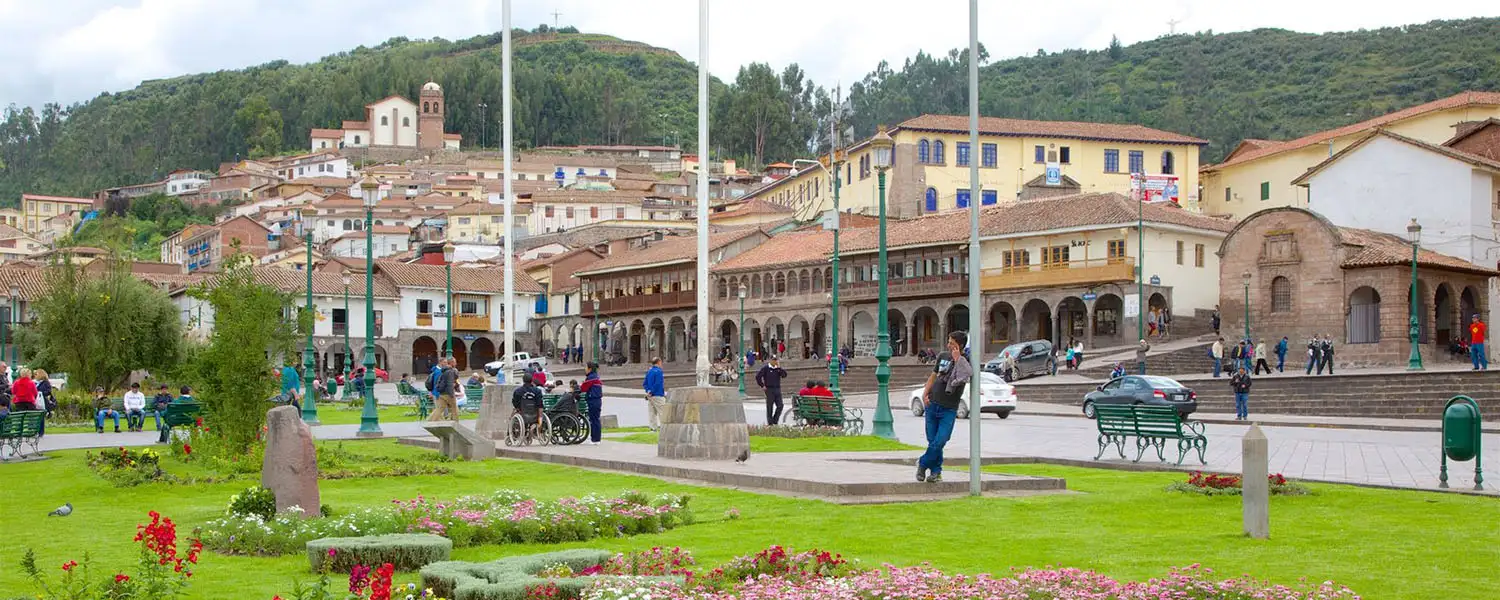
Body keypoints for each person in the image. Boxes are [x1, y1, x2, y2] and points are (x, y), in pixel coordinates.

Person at [918, 331, 971, 484]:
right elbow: (933, 376)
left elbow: (966, 375)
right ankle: (936, 472)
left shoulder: (966, 361)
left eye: (952, 343)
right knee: (932, 441)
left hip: (949, 408)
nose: (949, 345)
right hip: (932, 404)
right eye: (948, 342)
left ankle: (922, 464)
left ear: (959, 345)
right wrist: (925, 392)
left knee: (940, 440)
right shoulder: (942, 356)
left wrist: (958, 359)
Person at [511, 372, 546, 438]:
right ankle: (538, 428)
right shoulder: (537, 391)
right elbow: (540, 404)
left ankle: (511, 434)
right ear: (532, 380)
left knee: (512, 415)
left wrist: (517, 408)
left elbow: (515, 402)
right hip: (536, 414)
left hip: (523, 413)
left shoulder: (518, 391)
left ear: (523, 380)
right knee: (540, 408)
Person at [755, 356, 788, 426]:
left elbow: (784, 375)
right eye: (773, 360)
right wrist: (762, 385)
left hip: (777, 389)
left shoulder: (777, 369)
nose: (775, 361)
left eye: (776, 360)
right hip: (769, 389)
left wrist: (779, 367)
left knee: (780, 405)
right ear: (770, 360)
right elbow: (758, 376)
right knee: (770, 406)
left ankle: (775, 420)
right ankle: (770, 423)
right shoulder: (766, 368)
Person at [580, 362, 604, 445]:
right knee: (595, 419)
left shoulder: (591, 378)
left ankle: (595, 439)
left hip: (593, 400)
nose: (585, 369)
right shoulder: (595, 376)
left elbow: (583, 388)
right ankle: (596, 438)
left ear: (590, 369)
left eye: (586, 367)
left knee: (594, 420)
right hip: (596, 400)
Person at [642, 357, 666, 431]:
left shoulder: (649, 371)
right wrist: (652, 391)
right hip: (658, 394)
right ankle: (664, 428)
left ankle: (653, 428)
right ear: (658, 362)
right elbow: (658, 383)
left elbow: (644, 383)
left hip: (650, 395)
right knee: (663, 412)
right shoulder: (659, 371)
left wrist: (648, 391)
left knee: (652, 413)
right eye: (661, 362)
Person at [33, 368, 53, 436]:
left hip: (42, 402)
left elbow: (49, 392)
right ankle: (35, 431)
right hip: (35, 401)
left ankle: (41, 432)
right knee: (36, 416)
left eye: (36, 374)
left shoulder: (46, 383)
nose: (35, 375)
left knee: (41, 416)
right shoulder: (35, 382)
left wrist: (41, 393)